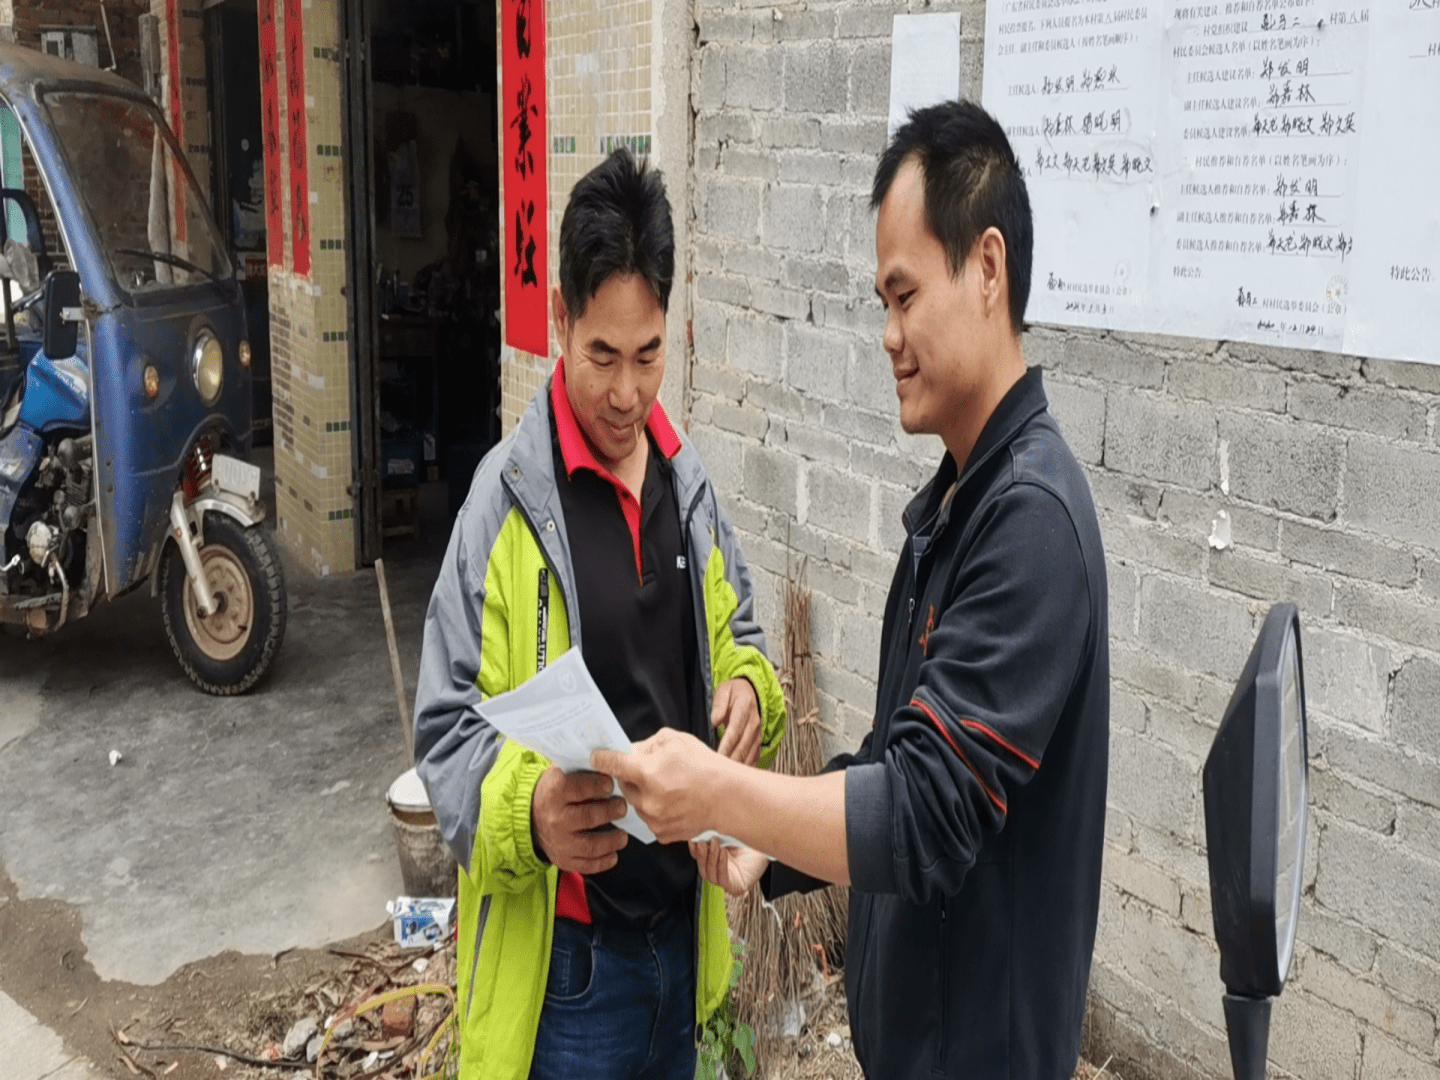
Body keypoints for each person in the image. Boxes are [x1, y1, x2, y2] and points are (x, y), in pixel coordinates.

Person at [594, 100, 1110, 1080]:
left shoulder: (1030, 522)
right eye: (884, 300)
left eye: (904, 294)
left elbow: (922, 812)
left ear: (988, 269)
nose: (887, 334)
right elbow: (894, 758)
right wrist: (759, 837)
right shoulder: (961, 508)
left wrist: (719, 788)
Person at [412, 148, 787, 1080]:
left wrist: (748, 693)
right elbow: (444, 733)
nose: (627, 393)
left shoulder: (686, 486)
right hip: (570, 976)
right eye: (602, 356)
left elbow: (742, 643)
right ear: (559, 322)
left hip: (683, 937)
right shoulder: (501, 508)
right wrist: (531, 814)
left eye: (649, 354)